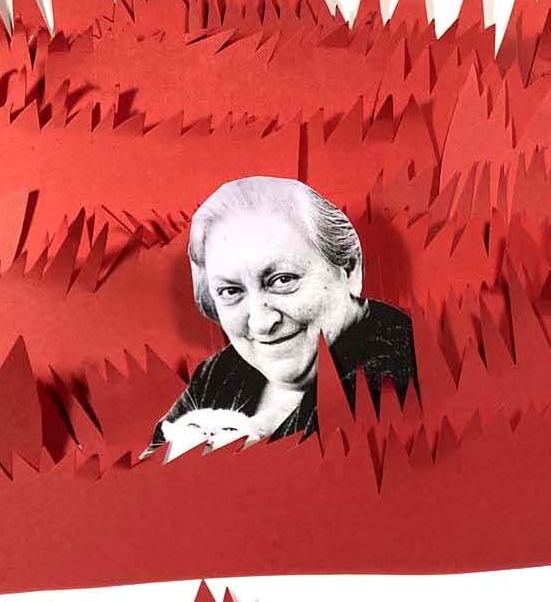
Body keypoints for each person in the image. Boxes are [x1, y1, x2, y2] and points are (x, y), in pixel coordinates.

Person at [149, 176, 417, 453]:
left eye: (283, 280)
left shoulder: (385, 377)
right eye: (230, 291)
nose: (261, 323)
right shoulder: (220, 373)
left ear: (348, 269)